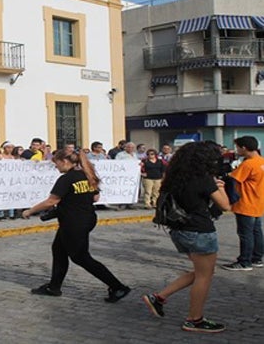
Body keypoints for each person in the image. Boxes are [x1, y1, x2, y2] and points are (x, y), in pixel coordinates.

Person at [142, 141, 231, 333]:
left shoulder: (175, 177)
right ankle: (194, 319)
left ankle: (159, 297)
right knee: (204, 276)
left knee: (200, 272)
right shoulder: (204, 178)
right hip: (199, 230)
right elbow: (225, 205)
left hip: (179, 230)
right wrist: (221, 186)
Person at [22, 149, 131, 302]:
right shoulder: (86, 174)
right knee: (58, 250)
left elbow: (51, 201)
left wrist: (30, 211)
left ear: (65, 161)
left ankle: (118, 287)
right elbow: (95, 197)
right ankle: (54, 287)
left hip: (74, 223)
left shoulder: (66, 179)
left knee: (81, 257)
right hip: (86, 219)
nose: (56, 166)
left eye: (56, 163)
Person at [221, 136, 264, 271]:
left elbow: (234, 179)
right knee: (257, 232)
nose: (237, 150)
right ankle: (257, 258)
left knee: (246, 234)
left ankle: (244, 261)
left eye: (238, 147)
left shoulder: (248, 164)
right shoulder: (261, 161)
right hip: (258, 201)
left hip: (246, 202)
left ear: (244, 148)